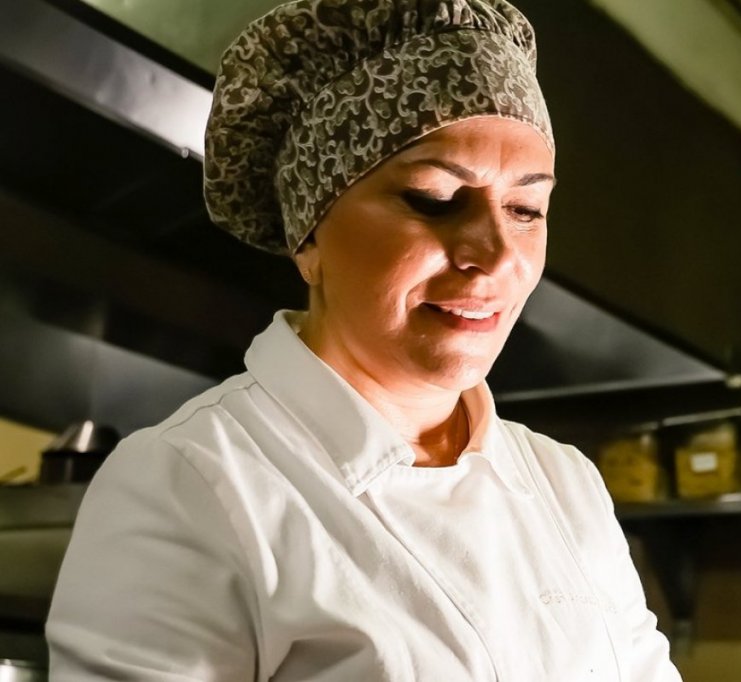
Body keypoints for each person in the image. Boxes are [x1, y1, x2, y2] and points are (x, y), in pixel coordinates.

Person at [46, 1, 682, 680]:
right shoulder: (191, 481)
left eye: (526, 209)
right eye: (434, 199)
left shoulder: (564, 483)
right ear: (309, 237)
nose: (497, 255)